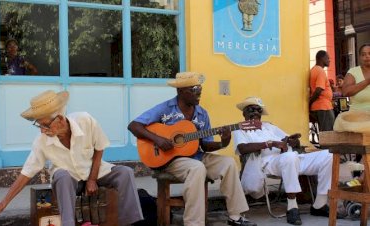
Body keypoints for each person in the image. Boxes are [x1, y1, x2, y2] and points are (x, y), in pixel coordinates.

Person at [0, 90, 143, 226]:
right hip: (69, 181)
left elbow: (100, 146)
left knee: (125, 173)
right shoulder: (41, 141)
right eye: (39, 125)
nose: (42, 131)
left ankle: (132, 222)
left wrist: (92, 179)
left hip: (93, 172)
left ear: (60, 119)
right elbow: (27, 173)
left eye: (45, 125)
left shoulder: (85, 120)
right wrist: (3, 204)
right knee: (62, 175)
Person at [128, 72, 257, 226]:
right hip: (171, 161)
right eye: (194, 89)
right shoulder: (165, 109)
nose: (199, 92)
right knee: (197, 168)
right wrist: (158, 139)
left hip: (197, 156)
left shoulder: (202, 114)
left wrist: (223, 142)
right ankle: (193, 223)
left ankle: (236, 216)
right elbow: (134, 126)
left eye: (199, 89)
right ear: (180, 91)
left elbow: (205, 145)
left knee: (228, 163)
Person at [233, 97, 335, 225]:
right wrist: (269, 143)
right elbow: (242, 148)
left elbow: (286, 139)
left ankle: (319, 204)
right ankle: (292, 206)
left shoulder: (269, 126)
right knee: (289, 157)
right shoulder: (239, 129)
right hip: (267, 162)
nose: (254, 112)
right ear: (244, 113)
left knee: (328, 155)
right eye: (250, 109)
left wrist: (293, 140)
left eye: (258, 109)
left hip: (289, 158)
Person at [309, 50, 335, 131]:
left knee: (325, 133)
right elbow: (318, 90)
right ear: (321, 59)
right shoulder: (320, 71)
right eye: (327, 58)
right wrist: (309, 103)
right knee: (328, 134)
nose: (329, 60)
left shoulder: (314, 69)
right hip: (323, 107)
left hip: (321, 107)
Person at [342, 43, 370, 111]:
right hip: (357, 118)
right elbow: (346, 92)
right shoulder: (353, 72)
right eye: (363, 54)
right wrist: (368, 81)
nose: (367, 56)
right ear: (360, 57)